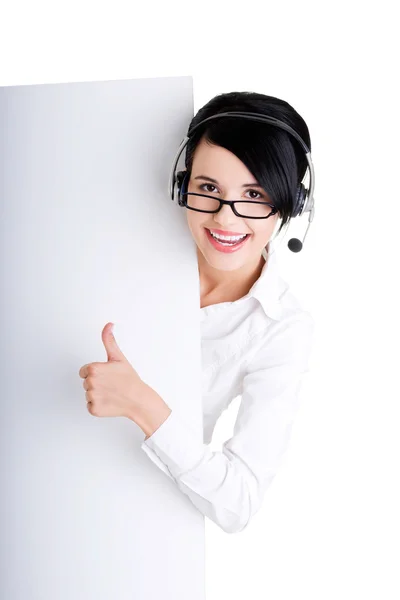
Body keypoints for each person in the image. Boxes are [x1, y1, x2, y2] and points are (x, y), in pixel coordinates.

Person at [80, 91, 315, 535]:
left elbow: (238, 503)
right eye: (208, 189)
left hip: (135, 525)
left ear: (291, 205)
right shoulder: (121, 248)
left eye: (255, 194)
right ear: (182, 185)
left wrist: (142, 405)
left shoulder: (281, 327)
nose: (226, 219)